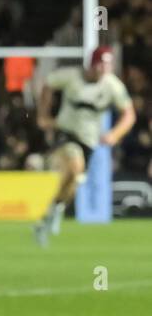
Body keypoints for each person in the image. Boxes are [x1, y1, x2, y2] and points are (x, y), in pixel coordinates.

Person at [33, 46, 136, 246]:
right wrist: (43, 114)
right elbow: (47, 85)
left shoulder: (112, 86)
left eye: (108, 65)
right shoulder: (72, 76)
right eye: (101, 64)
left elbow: (129, 114)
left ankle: (52, 213)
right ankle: (51, 206)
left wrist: (115, 134)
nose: (104, 69)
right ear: (92, 63)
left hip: (89, 141)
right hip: (65, 133)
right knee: (74, 164)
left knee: (74, 181)